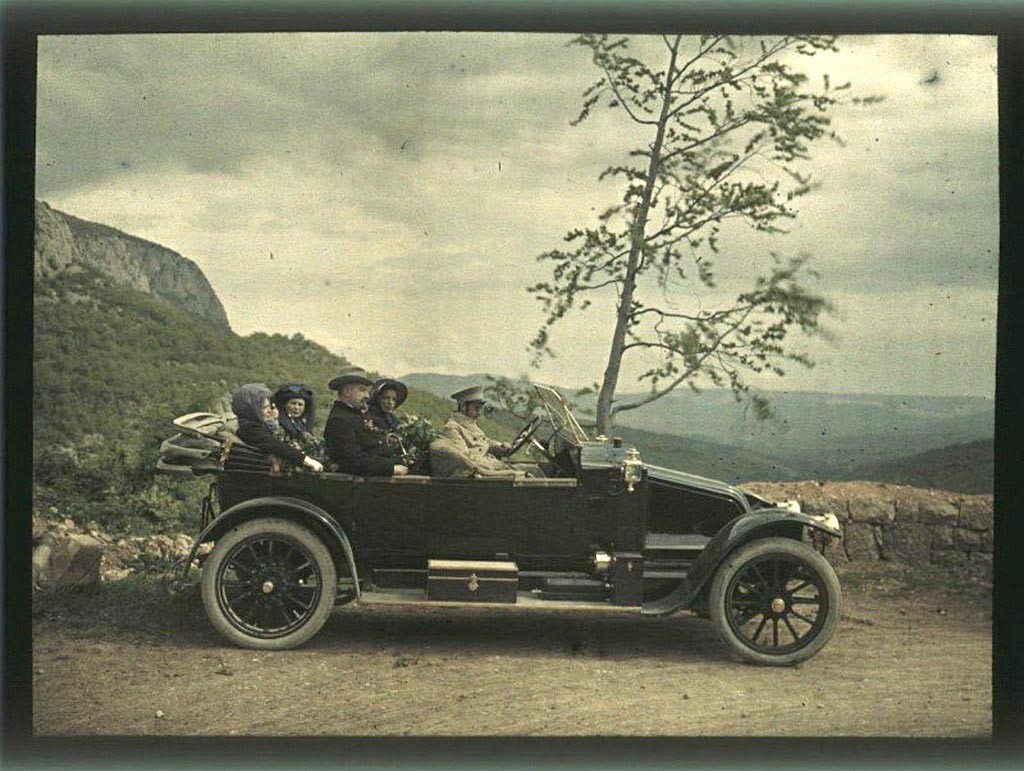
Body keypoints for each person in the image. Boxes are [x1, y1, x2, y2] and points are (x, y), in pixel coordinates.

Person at [323, 367, 408, 477]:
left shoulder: (354, 415)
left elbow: (372, 451)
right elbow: (353, 460)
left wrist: (399, 461)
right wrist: (391, 468)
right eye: (362, 390)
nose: (367, 396)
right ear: (347, 392)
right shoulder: (339, 420)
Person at [431, 385, 523, 478]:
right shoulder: (452, 428)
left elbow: (484, 441)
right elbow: (465, 459)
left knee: (531, 469)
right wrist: (489, 453)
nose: (479, 412)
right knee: (524, 472)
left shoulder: (471, 425)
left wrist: (500, 446)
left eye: (480, 408)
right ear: (463, 407)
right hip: (478, 472)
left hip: (488, 466)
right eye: (476, 408)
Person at [231, 383, 324, 473]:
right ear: (252, 410)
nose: (269, 411)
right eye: (264, 407)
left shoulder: (256, 425)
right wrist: (305, 460)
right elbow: (274, 444)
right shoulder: (250, 428)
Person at [272, 382, 322, 457]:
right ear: (285, 405)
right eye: (293, 403)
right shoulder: (278, 424)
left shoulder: (302, 424)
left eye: (300, 405)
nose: (296, 408)